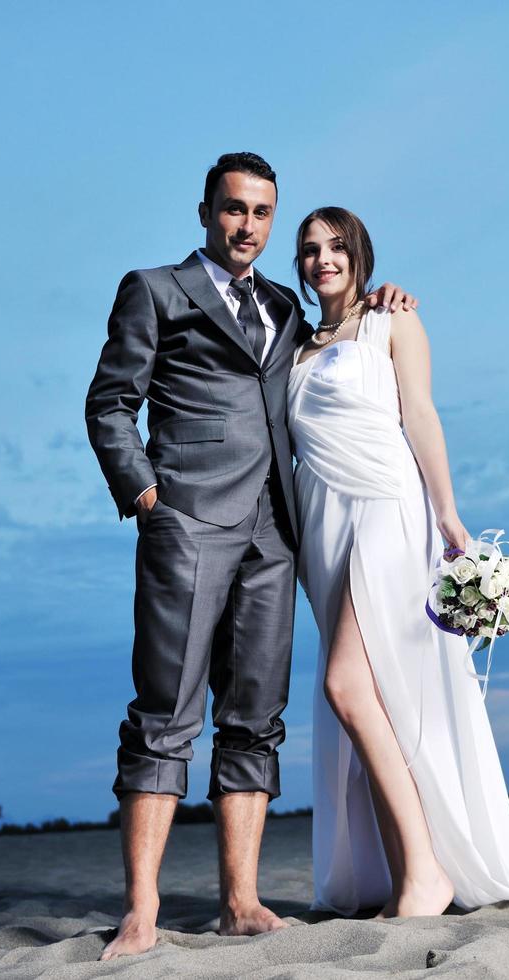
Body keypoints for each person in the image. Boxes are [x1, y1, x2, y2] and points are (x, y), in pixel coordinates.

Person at [84, 154, 414, 959]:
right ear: (206, 211)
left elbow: (335, 343)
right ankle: (141, 911)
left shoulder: (282, 306)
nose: (248, 226)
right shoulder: (155, 288)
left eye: (263, 213)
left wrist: (380, 301)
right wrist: (147, 496)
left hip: (277, 534)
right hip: (187, 522)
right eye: (234, 209)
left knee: (256, 719)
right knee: (164, 715)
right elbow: (110, 401)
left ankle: (240, 902)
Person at [288, 206, 509, 917]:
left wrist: (448, 514)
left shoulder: (393, 321)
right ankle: (409, 869)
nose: (323, 260)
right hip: (322, 527)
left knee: (348, 685)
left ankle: (429, 873)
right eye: (310, 249)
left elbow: (422, 415)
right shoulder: (294, 344)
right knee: (371, 699)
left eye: (337, 246)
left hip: (384, 503)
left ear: (360, 254)